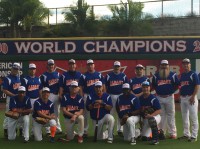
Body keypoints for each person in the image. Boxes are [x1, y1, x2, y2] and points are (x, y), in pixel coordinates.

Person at [152, 60, 179, 139]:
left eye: (165, 65)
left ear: (168, 66)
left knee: (171, 115)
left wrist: (171, 92)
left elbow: (177, 85)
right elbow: (154, 86)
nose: (164, 66)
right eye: (162, 65)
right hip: (159, 97)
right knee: (161, 115)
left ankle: (172, 133)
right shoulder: (156, 76)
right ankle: (161, 132)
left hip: (169, 97)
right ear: (160, 66)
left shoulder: (173, 75)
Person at [79, 59, 105, 137]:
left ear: (94, 65)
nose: (90, 66)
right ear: (87, 66)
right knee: (86, 114)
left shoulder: (99, 75)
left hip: (97, 95)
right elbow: (80, 87)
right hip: (87, 95)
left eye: (91, 64)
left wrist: (103, 95)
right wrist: (81, 96)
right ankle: (85, 131)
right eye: (89, 64)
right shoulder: (84, 76)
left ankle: (99, 129)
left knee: (97, 111)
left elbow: (103, 86)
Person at [105, 61, 128, 136]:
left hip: (121, 95)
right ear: (113, 67)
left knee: (120, 112)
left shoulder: (123, 76)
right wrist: (106, 95)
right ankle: (109, 128)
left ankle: (120, 129)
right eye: (115, 66)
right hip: (111, 95)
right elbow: (105, 86)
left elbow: (126, 87)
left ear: (120, 67)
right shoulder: (108, 75)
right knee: (111, 112)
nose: (117, 68)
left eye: (118, 66)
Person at [179, 58, 199, 142]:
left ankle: (194, 136)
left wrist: (193, 96)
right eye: (184, 64)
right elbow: (181, 86)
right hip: (183, 98)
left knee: (193, 117)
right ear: (182, 65)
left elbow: (197, 85)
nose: (186, 65)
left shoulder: (193, 74)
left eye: (187, 63)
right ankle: (186, 134)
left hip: (191, 97)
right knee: (184, 117)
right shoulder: (182, 75)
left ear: (190, 64)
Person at [40, 59, 62, 134]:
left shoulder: (58, 74)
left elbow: (60, 86)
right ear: (47, 66)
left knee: (57, 112)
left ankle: (57, 128)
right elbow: (41, 87)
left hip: (57, 94)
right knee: (48, 112)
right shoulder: (44, 76)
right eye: (49, 65)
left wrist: (60, 94)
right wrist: (43, 97)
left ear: (54, 65)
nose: (51, 66)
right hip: (49, 95)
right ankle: (48, 129)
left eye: (52, 65)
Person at [2, 62, 21, 137]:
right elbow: (4, 90)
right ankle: (6, 130)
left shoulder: (19, 78)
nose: (15, 70)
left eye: (17, 69)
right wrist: (14, 95)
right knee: (8, 114)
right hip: (11, 98)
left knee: (18, 114)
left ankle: (16, 129)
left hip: (18, 99)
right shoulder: (7, 78)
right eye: (14, 68)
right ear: (11, 68)